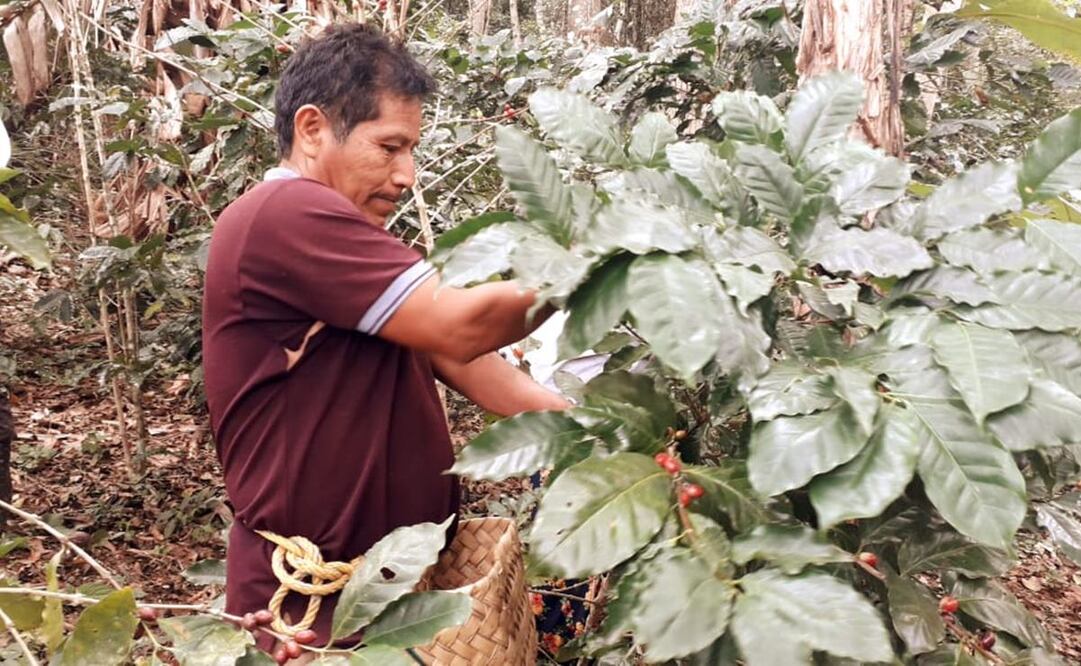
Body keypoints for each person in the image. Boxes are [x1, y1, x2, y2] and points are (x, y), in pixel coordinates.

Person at [201, 22, 569, 655]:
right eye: (389, 147)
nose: (407, 174)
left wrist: (600, 432)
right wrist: (600, 264)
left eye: (412, 150)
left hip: (382, 596)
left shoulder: (349, 247)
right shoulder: (287, 216)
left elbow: (465, 359)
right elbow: (461, 323)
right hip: (314, 611)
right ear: (312, 129)